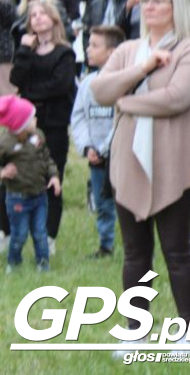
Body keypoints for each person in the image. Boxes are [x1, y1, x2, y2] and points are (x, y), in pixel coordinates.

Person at [91, 0, 190, 349]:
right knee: (135, 254)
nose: (150, 6)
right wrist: (141, 70)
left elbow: (175, 98)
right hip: (129, 161)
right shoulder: (128, 50)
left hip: (175, 161)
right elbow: (98, 90)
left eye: (159, 0)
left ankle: (185, 335)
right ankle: (135, 330)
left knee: (177, 251)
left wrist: (125, 102)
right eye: (146, 0)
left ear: (177, 6)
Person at [10, 0, 77, 254]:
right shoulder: (26, 49)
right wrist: (25, 51)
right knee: (14, 176)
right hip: (24, 126)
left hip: (54, 124)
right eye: (33, 15)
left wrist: (28, 97)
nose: (36, 18)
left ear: (53, 19)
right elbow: (17, 79)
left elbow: (59, 86)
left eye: (42, 14)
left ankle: (48, 237)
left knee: (52, 177)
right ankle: (9, 233)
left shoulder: (64, 53)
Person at [71, 25, 125, 259]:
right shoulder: (87, 83)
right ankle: (106, 246)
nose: (88, 49)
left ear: (112, 52)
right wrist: (87, 147)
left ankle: (138, 248)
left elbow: (122, 118)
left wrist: (104, 148)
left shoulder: (124, 81)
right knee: (102, 203)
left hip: (121, 155)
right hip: (95, 157)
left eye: (94, 45)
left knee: (127, 203)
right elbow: (79, 116)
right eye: (88, 44)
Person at [0, 96, 61, 272]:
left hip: (40, 196)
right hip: (18, 198)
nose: (36, 120)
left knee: (40, 233)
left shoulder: (38, 136)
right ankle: (14, 263)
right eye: (31, 118)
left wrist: (54, 176)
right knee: (19, 235)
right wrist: (3, 172)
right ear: (20, 124)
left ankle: (43, 265)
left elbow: (46, 158)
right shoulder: (5, 143)